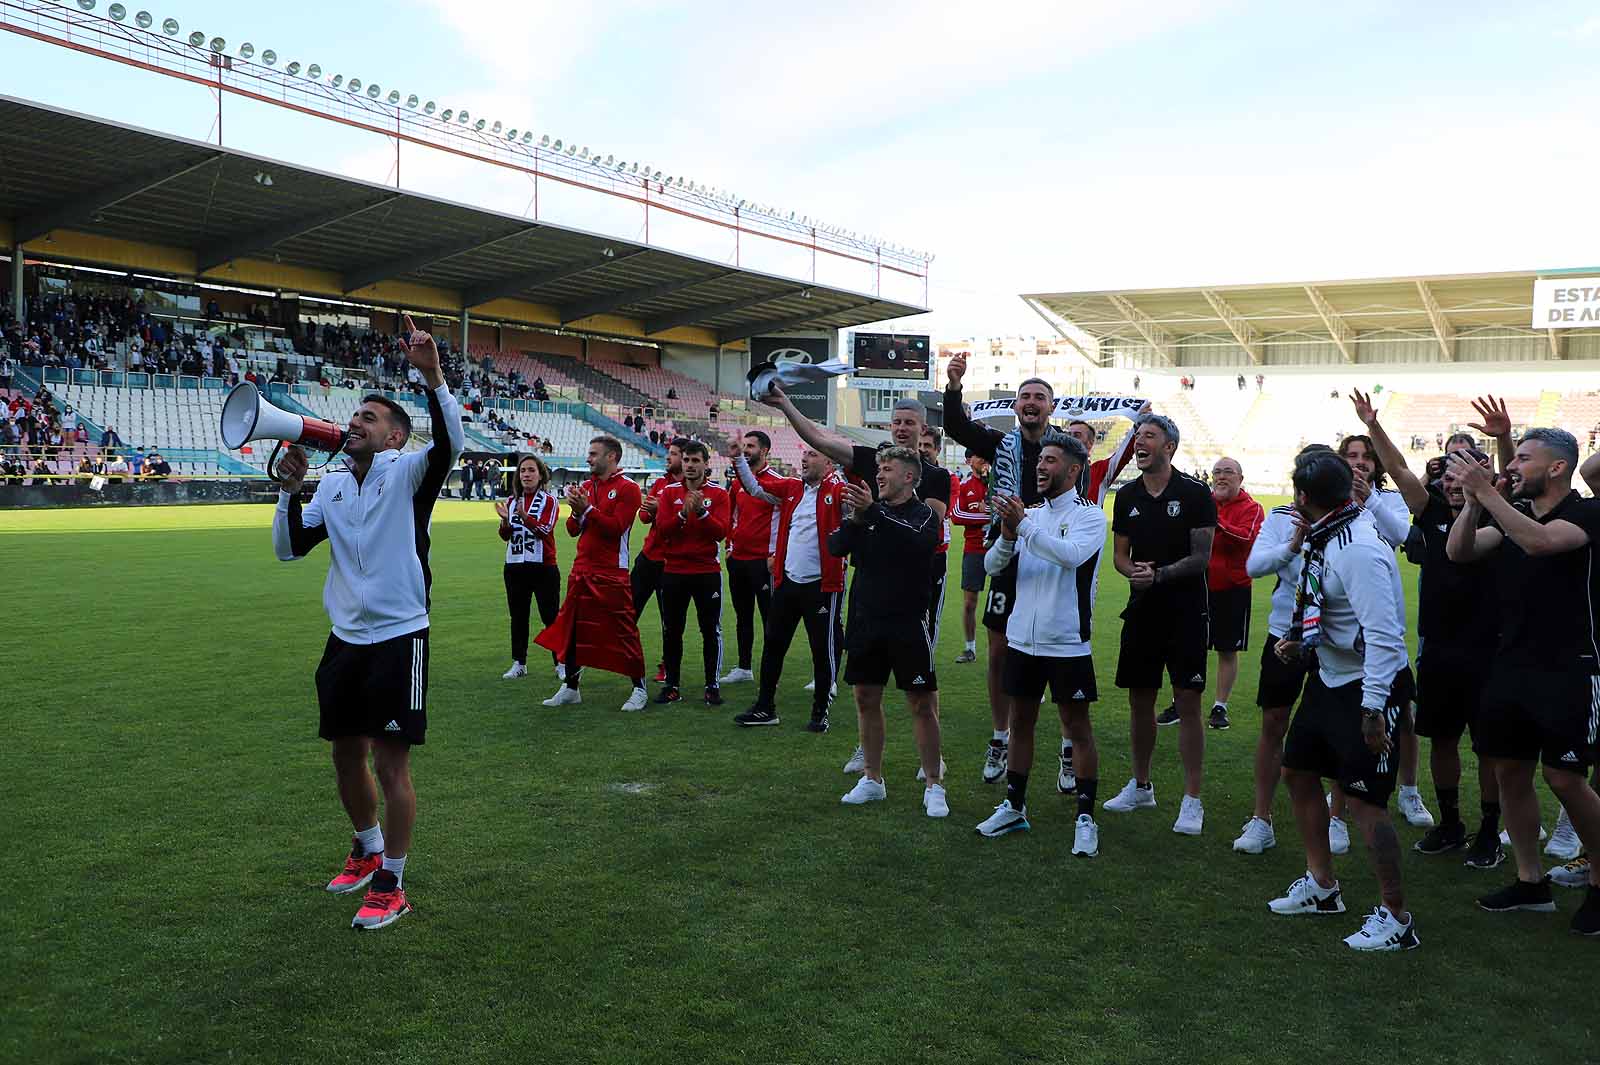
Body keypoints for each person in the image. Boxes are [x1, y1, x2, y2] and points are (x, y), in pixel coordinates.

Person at [270, 314, 462, 932]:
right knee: (345, 756)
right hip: (346, 639)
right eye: (354, 417)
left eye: (370, 419)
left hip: (400, 637)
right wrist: (287, 491)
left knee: (390, 765)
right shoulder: (329, 485)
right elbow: (289, 549)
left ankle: (393, 882)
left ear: (395, 438)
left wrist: (432, 376)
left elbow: (451, 443)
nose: (355, 423)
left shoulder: (408, 476)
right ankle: (367, 845)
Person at [1348, 390, 1514, 867]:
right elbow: (1399, 470)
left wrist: (1503, 439)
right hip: (1439, 648)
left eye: (1467, 477)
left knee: (1487, 747)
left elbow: (1509, 484)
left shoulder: (1500, 515)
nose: (1456, 485)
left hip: (1488, 650)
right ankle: (1450, 823)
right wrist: (1373, 426)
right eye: (1451, 477)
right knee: (1440, 738)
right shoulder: (1434, 512)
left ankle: (1487, 829)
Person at [1446, 431, 1600, 933]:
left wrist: (1490, 493)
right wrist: (1473, 503)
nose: (1513, 467)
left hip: (1571, 667)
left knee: (1564, 779)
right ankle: (1531, 882)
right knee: (1511, 772)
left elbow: (1540, 544)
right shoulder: (1511, 517)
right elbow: (1460, 551)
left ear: (1557, 468)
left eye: (1524, 459)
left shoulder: (1586, 513)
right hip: (1511, 666)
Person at [1267, 449, 1419, 952]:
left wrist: (1374, 708)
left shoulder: (1357, 548)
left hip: (1368, 687)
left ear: (1304, 497)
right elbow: (1328, 610)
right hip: (1331, 677)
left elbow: (1385, 635)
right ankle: (1322, 887)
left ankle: (1397, 917)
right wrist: (1301, 641)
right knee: (1298, 771)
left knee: (1364, 802)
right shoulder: (1326, 534)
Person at [758, 387, 950, 774]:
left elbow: (927, 525)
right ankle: (868, 754)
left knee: (921, 683)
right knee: (867, 685)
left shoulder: (936, 476)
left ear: (922, 428)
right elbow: (818, 438)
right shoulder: (873, 460)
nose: (900, 428)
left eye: (908, 423)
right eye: (895, 422)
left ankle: (932, 760)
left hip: (916, 583)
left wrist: (872, 513)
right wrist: (785, 404)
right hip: (870, 583)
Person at [975, 434, 1107, 856]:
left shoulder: (1090, 517)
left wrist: (1025, 526)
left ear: (1073, 470)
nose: (1040, 466)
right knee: (1021, 721)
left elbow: (1070, 555)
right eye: (1040, 460)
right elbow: (992, 565)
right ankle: (1014, 805)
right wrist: (1010, 535)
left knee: (1077, 727)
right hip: (1022, 640)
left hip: (1067, 641)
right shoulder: (1028, 514)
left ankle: (1086, 817)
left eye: (1051, 460)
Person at [941, 357, 1054, 785]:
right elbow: (958, 428)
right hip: (1008, 556)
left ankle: (1062, 744)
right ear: (1016, 406)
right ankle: (999, 735)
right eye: (1025, 396)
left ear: (1050, 407)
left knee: (1053, 651)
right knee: (999, 650)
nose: (1030, 402)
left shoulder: (1063, 447)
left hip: (1050, 557)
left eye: (1039, 397)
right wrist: (954, 388)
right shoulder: (1000, 442)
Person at [1104, 413, 1215, 835]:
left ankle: (1192, 799)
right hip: (1142, 612)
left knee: (1187, 701)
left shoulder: (1194, 493)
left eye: (1148, 436)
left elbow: (1201, 557)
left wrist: (1160, 575)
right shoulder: (1128, 494)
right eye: (1136, 436)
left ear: (1169, 446)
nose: (1139, 442)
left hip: (1186, 612)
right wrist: (1132, 571)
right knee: (1139, 700)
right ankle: (1141, 785)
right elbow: (1119, 554)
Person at [828, 446, 947, 817]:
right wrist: (858, 518)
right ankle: (872, 779)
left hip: (908, 622)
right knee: (865, 698)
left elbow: (916, 541)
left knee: (921, 703)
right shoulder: (866, 513)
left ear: (909, 477)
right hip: (866, 620)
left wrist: (872, 512)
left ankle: (933, 784)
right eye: (878, 469)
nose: (879, 475)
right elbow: (836, 546)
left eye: (888, 469)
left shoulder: (924, 515)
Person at [1339, 431, 1433, 830]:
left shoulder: (1389, 500)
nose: (1359, 462)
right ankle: (1343, 793)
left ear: (1377, 465)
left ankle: (1409, 790)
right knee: (1344, 712)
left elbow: (1404, 538)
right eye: (1351, 456)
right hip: (1342, 622)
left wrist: (1369, 500)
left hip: (1384, 621)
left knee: (1404, 713)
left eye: (1367, 457)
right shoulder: (1331, 501)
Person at [729, 443, 847, 730]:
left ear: (829, 464)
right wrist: (738, 459)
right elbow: (756, 488)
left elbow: (858, 508)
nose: (805, 459)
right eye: (804, 454)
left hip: (823, 585)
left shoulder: (838, 492)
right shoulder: (792, 489)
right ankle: (765, 707)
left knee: (822, 649)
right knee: (773, 645)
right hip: (788, 581)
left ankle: (820, 711)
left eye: (813, 454)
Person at [535, 436, 649, 712]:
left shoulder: (628, 488)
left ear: (611, 457)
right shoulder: (586, 486)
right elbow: (573, 530)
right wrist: (576, 512)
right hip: (582, 568)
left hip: (612, 571)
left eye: (593, 453)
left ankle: (639, 688)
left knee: (624, 631)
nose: (588, 458)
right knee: (574, 630)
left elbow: (616, 527)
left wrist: (586, 509)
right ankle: (571, 688)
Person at [648, 440, 732, 705]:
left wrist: (702, 512)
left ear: (706, 465)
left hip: (707, 571)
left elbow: (720, 532)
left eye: (696, 461)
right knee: (672, 630)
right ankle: (672, 685)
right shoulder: (669, 493)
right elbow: (662, 531)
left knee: (710, 630)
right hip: (674, 571)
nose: (690, 466)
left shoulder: (719, 495)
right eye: (686, 461)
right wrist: (683, 515)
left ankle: (712, 685)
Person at [1201, 457, 1262, 732]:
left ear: (1240, 478)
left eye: (1228, 472)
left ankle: (1220, 706)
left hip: (1234, 588)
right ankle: (1183, 701)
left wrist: (1216, 524)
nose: (1221, 477)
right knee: (1191, 644)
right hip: (1200, 585)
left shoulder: (1252, 508)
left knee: (1227, 649)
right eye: (1217, 472)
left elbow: (1245, 538)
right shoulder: (1205, 502)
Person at [720, 430, 782, 686]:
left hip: (764, 562)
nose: (746, 450)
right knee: (742, 616)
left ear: (765, 451)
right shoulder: (736, 483)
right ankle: (744, 667)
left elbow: (787, 523)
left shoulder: (777, 482)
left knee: (771, 618)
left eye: (751, 446)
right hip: (739, 560)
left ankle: (771, 671)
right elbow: (731, 517)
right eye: (744, 445)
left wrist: (776, 555)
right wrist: (729, 548)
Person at [496, 454, 561, 681]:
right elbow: (506, 536)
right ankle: (519, 663)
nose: (526, 475)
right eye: (523, 471)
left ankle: (560, 662)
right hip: (514, 567)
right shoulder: (512, 501)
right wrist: (505, 521)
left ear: (541, 475)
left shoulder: (550, 501)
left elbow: (544, 530)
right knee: (518, 616)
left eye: (531, 470)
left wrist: (524, 517)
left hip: (543, 567)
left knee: (550, 617)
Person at [633, 440, 686, 682]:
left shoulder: (692, 487)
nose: (668, 457)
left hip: (671, 563)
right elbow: (643, 516)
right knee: (628, 611)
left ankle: (668, 666)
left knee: (670, 621)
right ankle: (627, 660)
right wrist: (656, 509)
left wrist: (661, 508)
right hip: (647, 558)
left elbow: (688, 523)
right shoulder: (661, 483)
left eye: (674, 454)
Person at [950, 449, 991, 664]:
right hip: (974, 550)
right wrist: (988, 515)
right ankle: (970, 648)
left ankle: (1009, 647)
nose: (982, 457)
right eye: (976, 454)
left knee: (1007, 602)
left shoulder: (998, 482)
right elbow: (956, 516)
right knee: (969, 604)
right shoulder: (965, 487)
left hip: (1000, 549)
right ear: (968, 461)